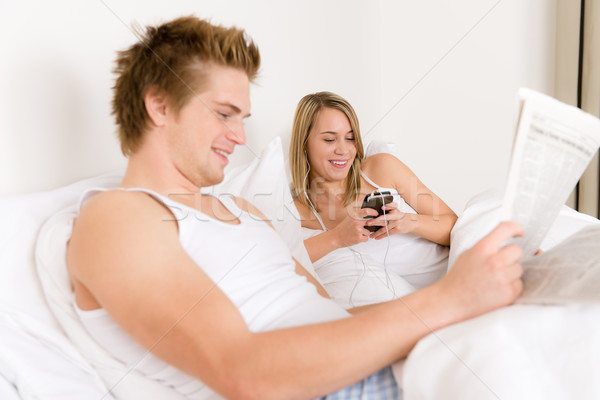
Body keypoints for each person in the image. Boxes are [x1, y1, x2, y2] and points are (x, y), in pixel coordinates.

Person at [66, 16, 524, 400]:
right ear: (160, 107)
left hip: (368, 362)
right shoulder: (117, 218)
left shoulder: (244, 210)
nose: (240, 137)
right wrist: (451, 299)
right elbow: (240, 369)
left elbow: (332, 321)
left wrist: (458, 313)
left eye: (241, 120)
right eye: (224, 114)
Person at [289, 92, 457, 308]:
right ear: (304, 143)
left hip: (454, 273)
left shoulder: (381, 168)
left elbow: (453, 224)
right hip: (420, 305)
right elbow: (280, 263)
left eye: (350, 138)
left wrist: (408, 222)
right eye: (330, 139)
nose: (343, 150)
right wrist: (337, 237)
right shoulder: (297, 212)